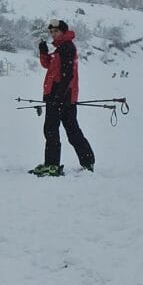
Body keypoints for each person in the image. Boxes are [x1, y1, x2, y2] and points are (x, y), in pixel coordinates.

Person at [30, 19, 95, 176]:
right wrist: (44, 52)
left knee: (51, 130)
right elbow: (50, 67)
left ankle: (52, 165)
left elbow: (68, 75)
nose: (53, 34)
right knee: (72, 130)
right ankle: (87, 161)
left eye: (56, 31)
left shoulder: (66, 48)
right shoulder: (61, 48)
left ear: (63, 32)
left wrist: (58, 96)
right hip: (65, 97)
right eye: (51, 32)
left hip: (59, 96)